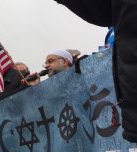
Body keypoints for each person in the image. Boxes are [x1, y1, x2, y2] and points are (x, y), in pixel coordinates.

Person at [53, 0, 137, 143]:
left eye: (51, 61)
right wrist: (91, 64)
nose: (47, 65)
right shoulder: (114, 28)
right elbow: (101, 11)